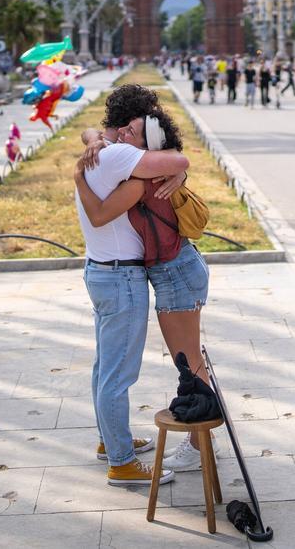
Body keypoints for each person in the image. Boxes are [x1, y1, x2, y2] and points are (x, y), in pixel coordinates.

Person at [77, 104, 216, 471]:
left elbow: (99, 213)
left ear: (148, 146)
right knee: (187, 360)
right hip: (173, 272)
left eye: (132, 132)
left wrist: (79, 178)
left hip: (176, 273)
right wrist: (93, 138)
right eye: (122, 130)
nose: (122, 135)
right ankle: (187, 442)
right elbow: (99, 136)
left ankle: (200, 445)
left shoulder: (141, 180)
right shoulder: (150, 170)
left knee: (189, 362)